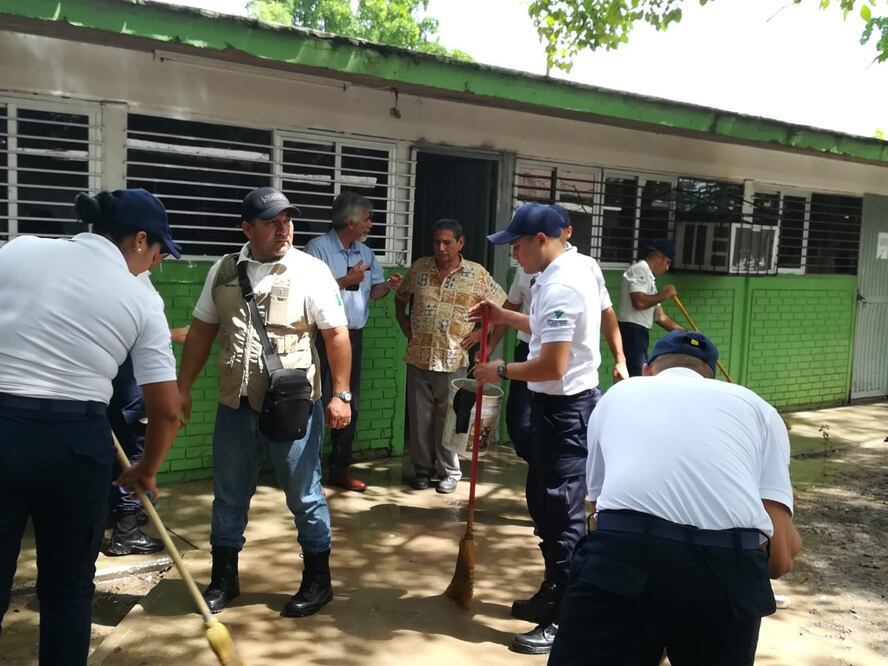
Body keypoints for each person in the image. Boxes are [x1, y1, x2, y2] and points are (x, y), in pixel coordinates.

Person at [0, 189, 181, 665]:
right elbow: (166, 409)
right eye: (158, 252)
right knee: (67, 588)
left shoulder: (18, 250)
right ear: (139, 239)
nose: (156, 264)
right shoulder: (141, 299)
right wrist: (146, 469)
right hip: (74, 445)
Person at [549, 331, 801, 666]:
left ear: (647, 369)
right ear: (711, 376)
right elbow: (780, 561)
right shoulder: (758, 408)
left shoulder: (619, 394)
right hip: (727, 571)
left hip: (624, 557)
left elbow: (598, 510)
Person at [177, 187, 352, 618]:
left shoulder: (311, 271)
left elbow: (336, 335)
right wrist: (182, 389)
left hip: (293, 408)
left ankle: (318, 581)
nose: (283, 229)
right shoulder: (223, 271)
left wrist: (341, 394)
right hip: (235, 405)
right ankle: (224, 579)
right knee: (229, 495)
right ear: (247, 228)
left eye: (287, 220)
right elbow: (201, 332)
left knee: (304, 496)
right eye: (272, 222)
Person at [471, 202, 603, 655]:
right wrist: (505, 316)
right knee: (544, 507)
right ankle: (554, 592)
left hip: (566, 411)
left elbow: (553, 363)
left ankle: (568, 618)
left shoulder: (562, 284)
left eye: (518, 245)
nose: (514, 254)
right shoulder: (567, 269)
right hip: (556, 408)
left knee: (563, 516)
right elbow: (547, 330)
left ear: (541, 240)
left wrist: (499, 370)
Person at [394, 219, 506, 494]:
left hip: (453, 358)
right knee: (420, 418)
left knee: (450, 418)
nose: (441, 248)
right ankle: (422, 470)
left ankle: (449, 472)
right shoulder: (420, 268)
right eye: (437, 242)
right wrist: (402, 319)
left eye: (447, 242)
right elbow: (401, 296)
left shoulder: (476, 274)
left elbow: (501, 307)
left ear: (460, 243)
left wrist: (482, 334)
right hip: (419, 355)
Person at [305, 191, 402, 492]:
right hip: (322, 338)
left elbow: (374, 292)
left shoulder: (366, 253)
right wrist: (346, 281)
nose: (370, 225)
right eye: (367, 219)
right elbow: (308, 293)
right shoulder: (317, 249)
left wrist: (389, 286)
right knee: (317, 402)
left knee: (349, 402)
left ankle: (339, 469)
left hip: (353, 337)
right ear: (351, 222)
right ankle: (308, 473)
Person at [103, 322, 189, 556]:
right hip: (135, 398)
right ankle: (126, 534)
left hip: (116, 396)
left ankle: (117, 515)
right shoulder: (141, 306)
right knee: (135, 461)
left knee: (118, 460)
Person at [617, 239, 685, 376]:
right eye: (668, 262)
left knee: (639, 373)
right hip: (632, 331)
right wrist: (664, 294)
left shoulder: (650, 279)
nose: (667, 268)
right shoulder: (639, 269)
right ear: (658, 257)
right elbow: (639, 302)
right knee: (636, 375)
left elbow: (660, 317)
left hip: (640, 333)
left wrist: (685, 332)